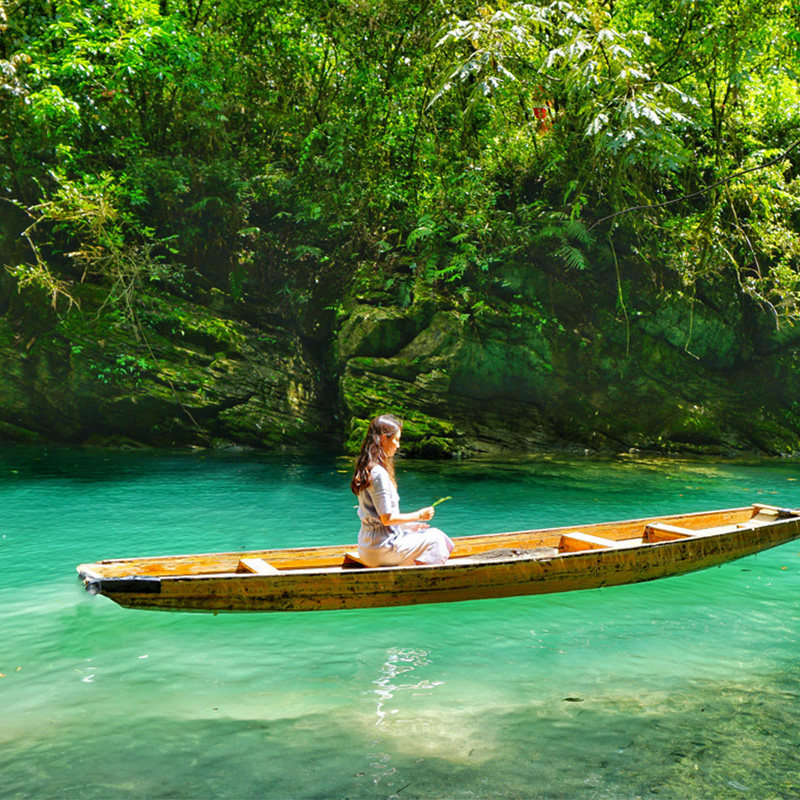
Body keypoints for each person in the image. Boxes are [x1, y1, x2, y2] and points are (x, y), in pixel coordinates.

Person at [351, 414, 454, 567]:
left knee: (418, 533)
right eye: (396, 440)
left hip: (367, 548)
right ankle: (424, 578)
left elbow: (377, 519)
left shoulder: (366, 468)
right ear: (383, 439)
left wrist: (407, 526)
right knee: (437, 537)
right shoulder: (378, 473)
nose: (398, 446)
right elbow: (386, 519)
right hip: (382, 549)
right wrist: (419, 515)